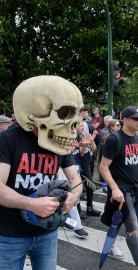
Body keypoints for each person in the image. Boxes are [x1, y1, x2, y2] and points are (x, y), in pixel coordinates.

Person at [0, 76, 83, 270]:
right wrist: (31, 204)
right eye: (64, 113)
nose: (72, 125)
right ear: (33, 113)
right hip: (9, 234)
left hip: (47, 231)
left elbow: (74, 179)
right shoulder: (7, 140)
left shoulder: (60, 142)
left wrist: (74, 196)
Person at [100, 106, 138, 270]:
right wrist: (114, 188)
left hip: (134, 188)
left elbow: (133, 162)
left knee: (119, 220)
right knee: (133, 226)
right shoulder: (114, 139)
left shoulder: (137, 137)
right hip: (121, 189)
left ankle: (111, 246)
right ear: (125, 120)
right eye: (136, 119)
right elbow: (103, 167)